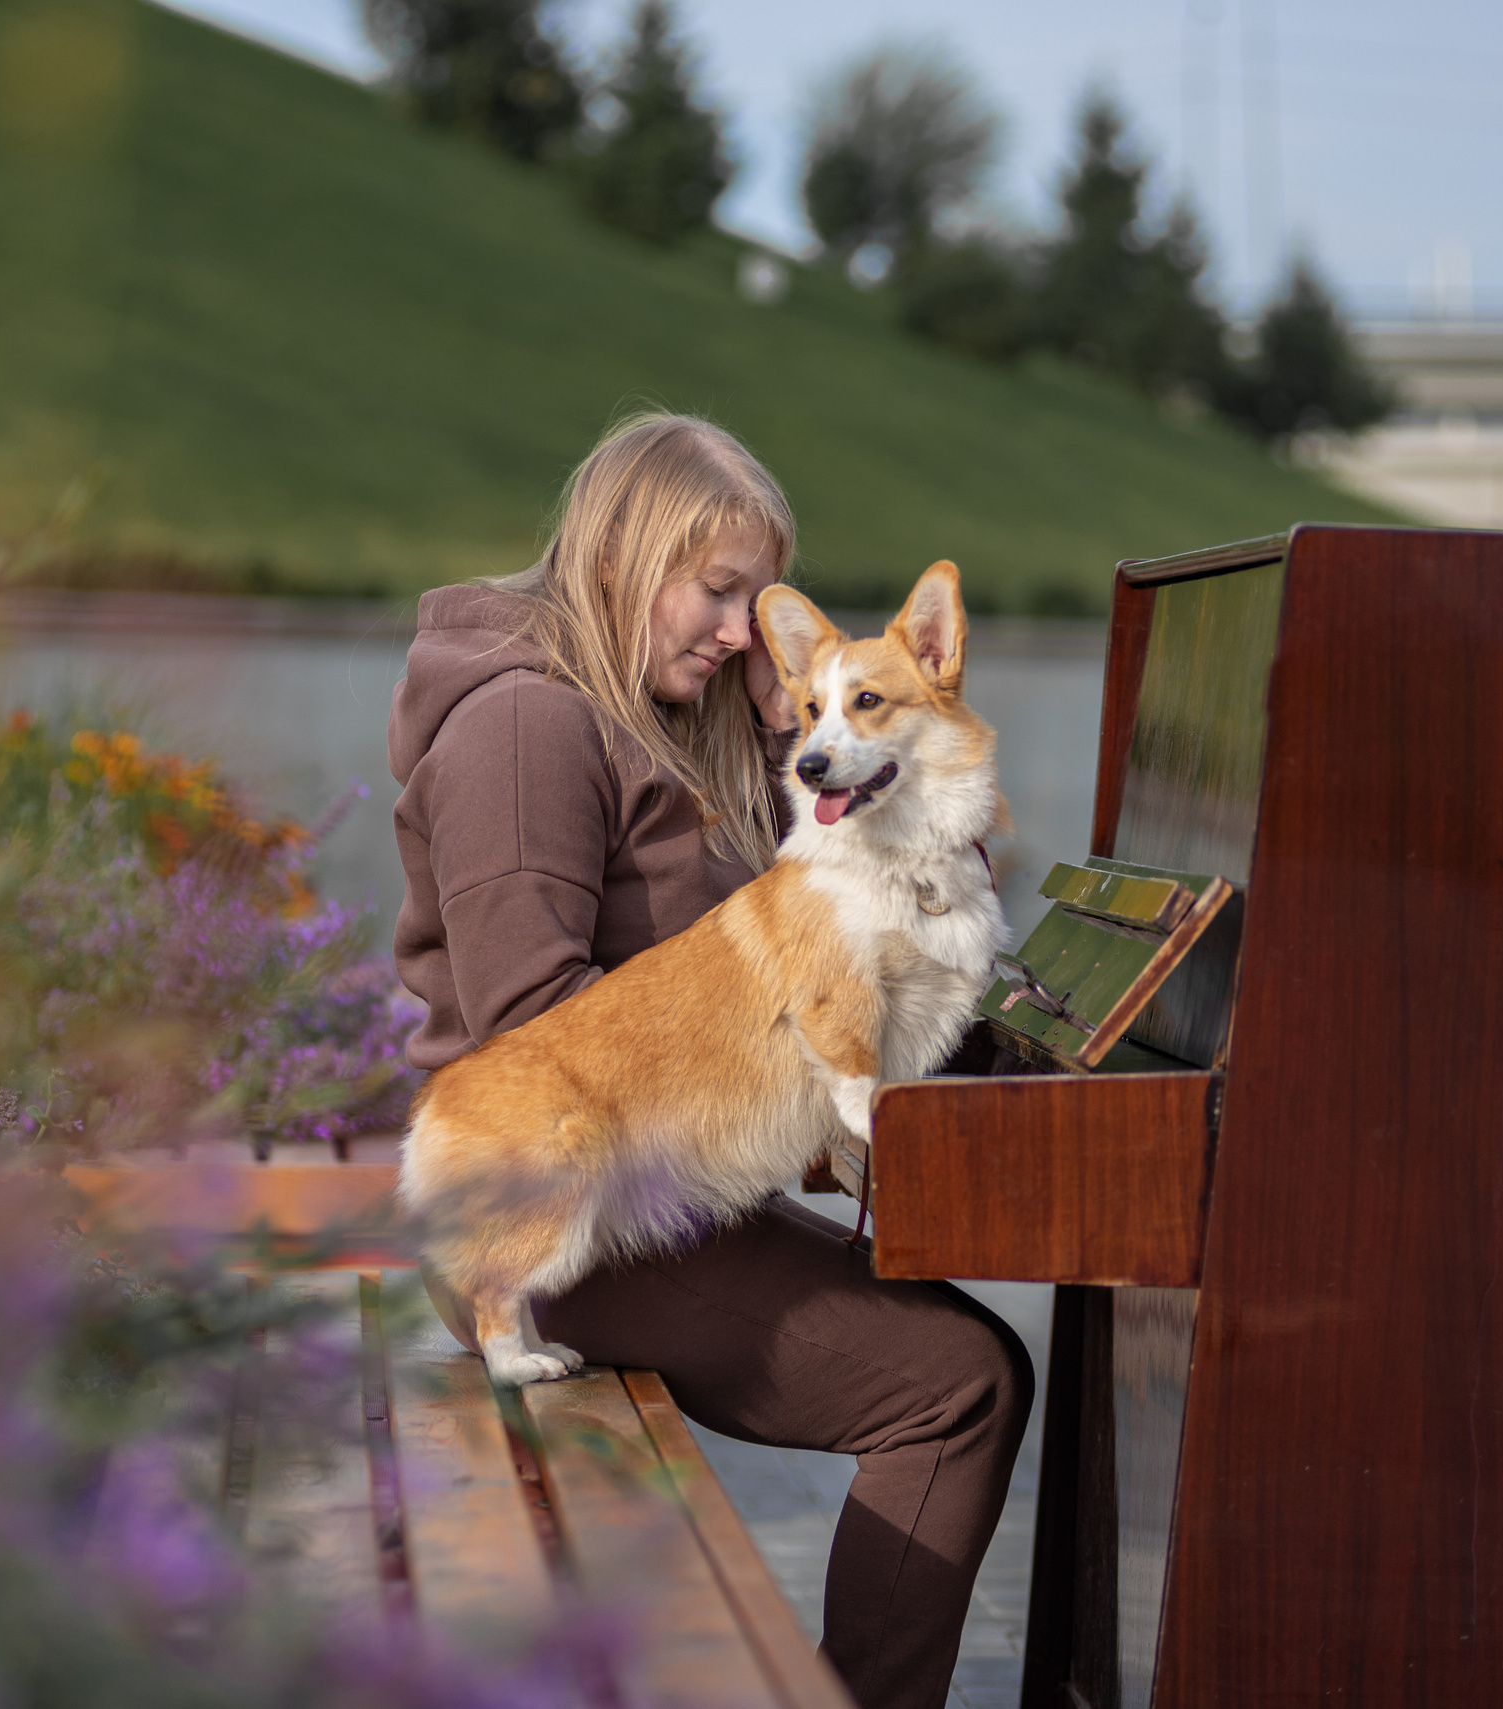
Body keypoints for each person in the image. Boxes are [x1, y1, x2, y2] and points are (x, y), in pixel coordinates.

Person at [388, 411, 1032, 1709]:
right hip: (560, 1215)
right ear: (625, 560)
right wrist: (815, 1125)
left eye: (756, 597)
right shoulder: (524, 728)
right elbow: (538, 1029)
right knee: (958, 1383)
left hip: (644, 1193)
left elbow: (800, 930)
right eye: (718, 588)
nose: (742, 625)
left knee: (965, 1346)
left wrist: (789, 706)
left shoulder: (654, 711)